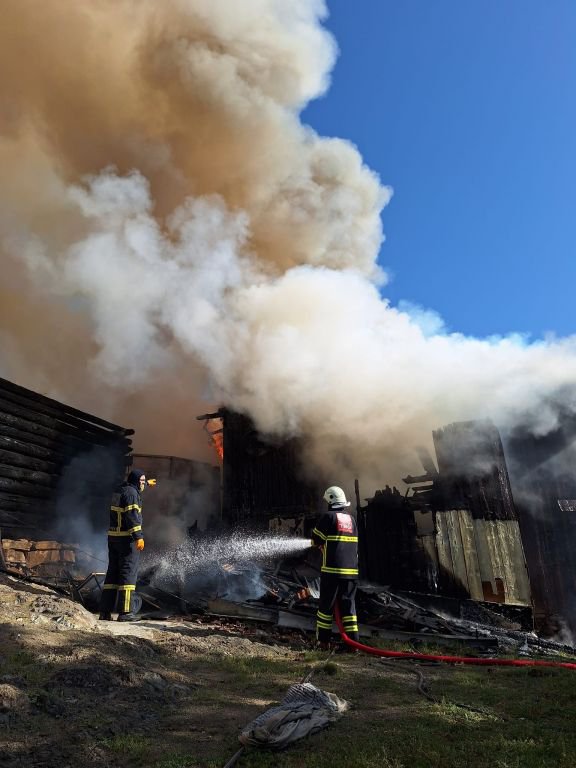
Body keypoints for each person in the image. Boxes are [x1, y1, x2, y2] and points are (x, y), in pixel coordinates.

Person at [311, 486, 359, 649]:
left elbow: (316, 540)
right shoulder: (351, 520)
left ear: (330, 501)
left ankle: (323, 642)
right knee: (348, 609)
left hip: (332, 572)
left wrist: (319, 544)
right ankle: (353, 643)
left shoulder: (328, 517)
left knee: (325, 608)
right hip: (351, 573)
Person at [99, 468, 146, 622]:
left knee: (112, 574)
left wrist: (147, 482)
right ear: (136, 482)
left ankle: (105, 612)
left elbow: (130, 490)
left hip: (113, 539)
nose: (144, 484)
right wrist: (138, 537)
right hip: (127, 541)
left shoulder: (120, 491)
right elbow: (132, 517)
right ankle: (126, 613)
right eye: (142, 481)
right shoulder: (132, 494)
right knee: (128, 574)